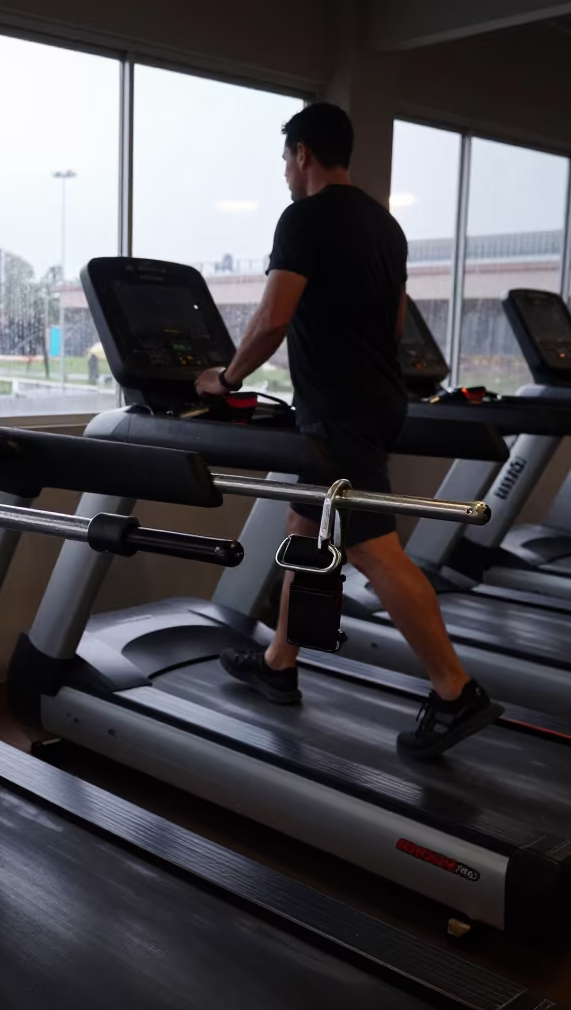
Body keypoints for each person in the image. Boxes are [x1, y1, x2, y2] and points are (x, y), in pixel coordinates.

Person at [194, 102, 503, 761]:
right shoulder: (385, 226)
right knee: (304, 528)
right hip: (374, 401)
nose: (284, 170)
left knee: (370, 549)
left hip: (338, 412)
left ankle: (456, 691)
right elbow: (393, 325)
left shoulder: (302, 218)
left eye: (285, 158)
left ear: (303, 154)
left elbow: (274, 318)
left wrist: (227, 378)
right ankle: (280, 662)